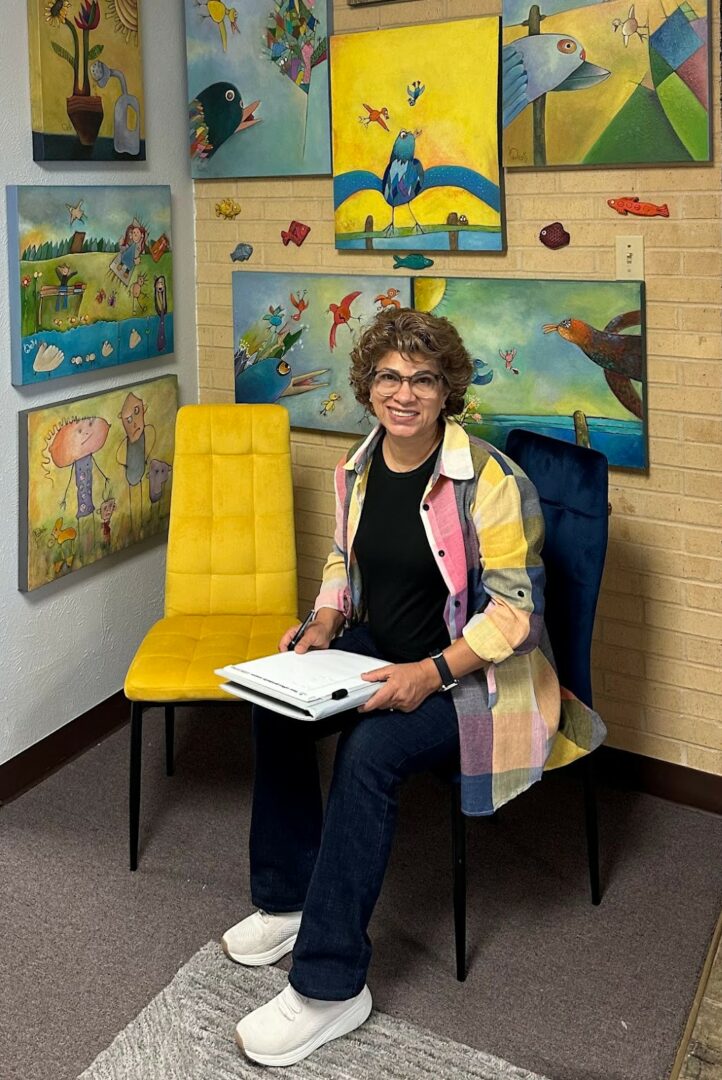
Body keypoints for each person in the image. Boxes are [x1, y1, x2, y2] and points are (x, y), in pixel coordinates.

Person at [223, 307, 604, 1068]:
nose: (404, 394)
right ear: (368, 386)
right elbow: (341, 561)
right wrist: (324, 622)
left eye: (423, 380)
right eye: (390, 378)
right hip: (381, 648)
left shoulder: (491, 480)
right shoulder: (356, 467)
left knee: (369, 752)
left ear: (446, 390)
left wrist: (428, 673)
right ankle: (290, 898)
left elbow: (517, 615)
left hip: (471, 674)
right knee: (278, 706)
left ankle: (330, 988)